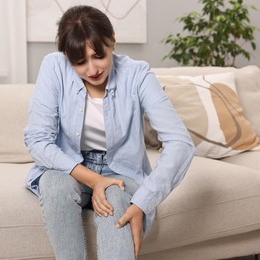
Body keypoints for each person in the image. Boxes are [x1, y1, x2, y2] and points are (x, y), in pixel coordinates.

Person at [24, 5, 195, 260]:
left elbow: (181, 143)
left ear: (112, 41)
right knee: (54, 184)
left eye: (98, 56)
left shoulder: (137, 74)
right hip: (74, 167)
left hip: (124, 172)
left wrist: (141, 203)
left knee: (116, 195)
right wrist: (94, 180)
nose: (92, 70)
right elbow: (37, 140)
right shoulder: (54, 67)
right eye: (79, 62)